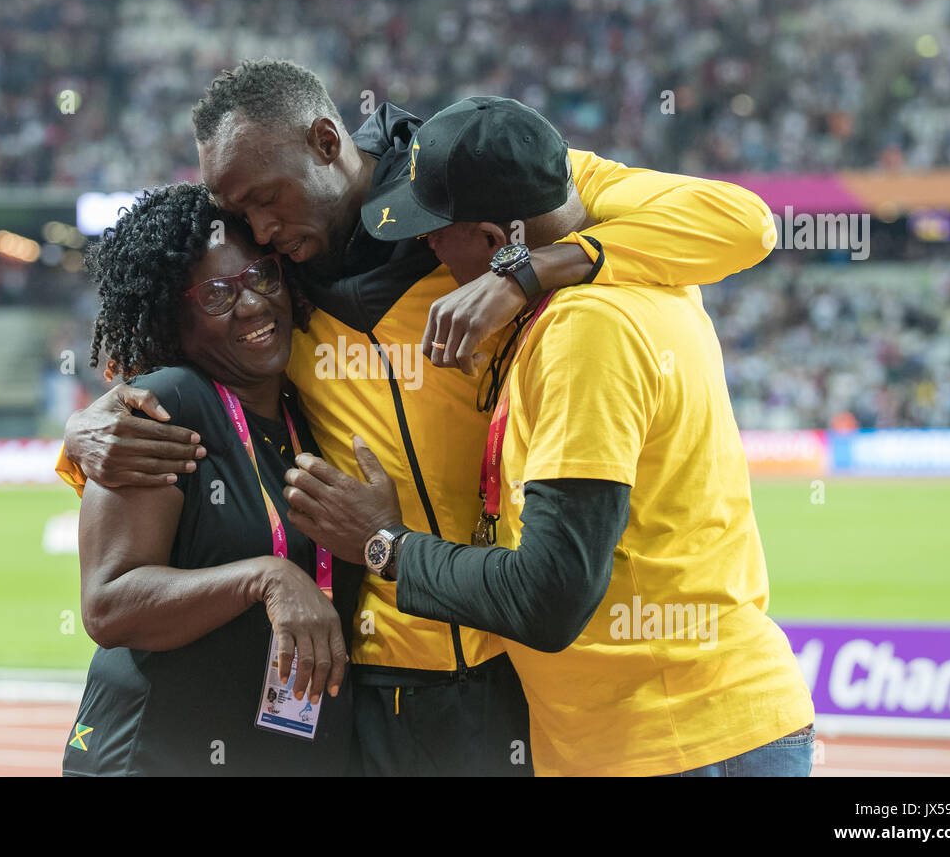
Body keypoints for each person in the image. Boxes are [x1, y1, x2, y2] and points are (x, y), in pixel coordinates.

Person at [59, 59, 777, 776]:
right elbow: (173, 352)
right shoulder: (277, 281)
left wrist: (532, 269)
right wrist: (88, 426)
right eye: (241, 213)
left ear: (325, 142)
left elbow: (743, 223)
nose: (260, 231)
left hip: (512, 666)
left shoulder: (469, 180)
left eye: (267, 200)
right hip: (375, 679)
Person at [281, 97, 815, 776]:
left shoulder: (586, 329)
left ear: (499, 236)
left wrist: (384, 546)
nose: (423, 247)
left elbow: (548, 596)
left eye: (437, 231)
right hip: (668, 736)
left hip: (673, 741)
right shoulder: (631, 268)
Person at [62, 183, 361, 776]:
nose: (251, 305)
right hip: (152, 752)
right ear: (176, 315)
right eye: (217, 294)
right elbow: (108, 606)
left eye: (262, 278)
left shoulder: (309, 411)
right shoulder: (165, 406)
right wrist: (265, 578)